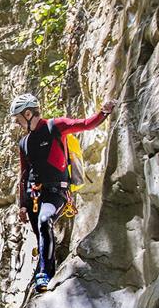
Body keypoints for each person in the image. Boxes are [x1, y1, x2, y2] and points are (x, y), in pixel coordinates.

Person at [10, 93, 114, 292]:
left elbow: (84, 124)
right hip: (33, 195)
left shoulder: (55, 126)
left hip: (56, 192)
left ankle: (45, 274)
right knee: (40, 232)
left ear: (29, 113)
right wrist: (22, 204)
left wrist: (104, 112)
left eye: (18, 118)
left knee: (44, 221)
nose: (17, 123)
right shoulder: (23, 143)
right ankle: (43, 268)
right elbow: (23, 175)